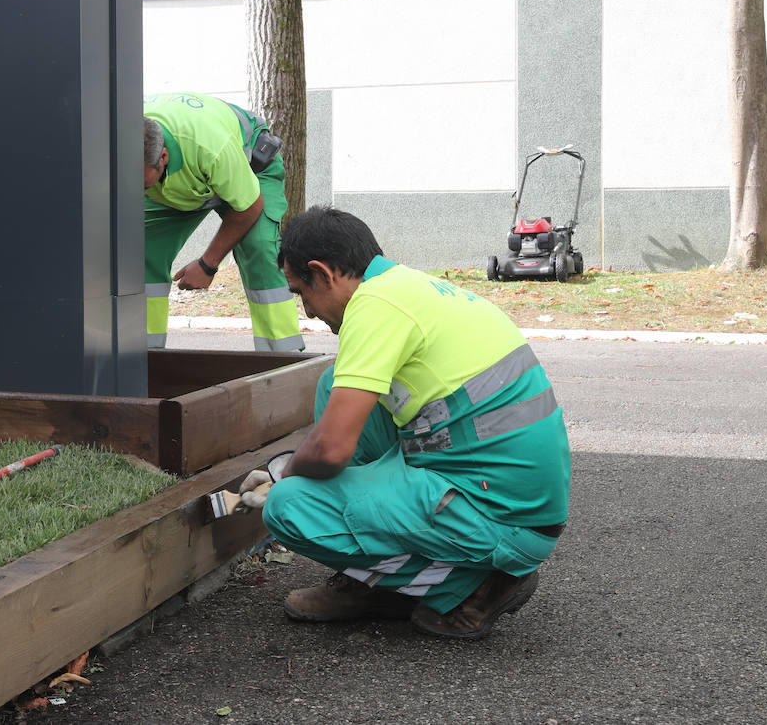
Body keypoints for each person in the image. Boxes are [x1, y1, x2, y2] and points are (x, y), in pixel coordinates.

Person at [241, 206, 570, 639]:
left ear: (323, 273)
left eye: (302, 291)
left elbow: (331, 451)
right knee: (332, 383)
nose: (307, 311)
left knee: (291, 507)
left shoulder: (373, 308)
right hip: (506, 494)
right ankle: (374, 572)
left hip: (504, 522)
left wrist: (281, 475)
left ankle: (471, 587)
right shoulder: (407, 287)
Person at [142, 91, 303, 352]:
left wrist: (208, 264)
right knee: (140, 252)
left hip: (248, 165)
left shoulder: (210, 146)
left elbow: (249, 206)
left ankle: (282, 358)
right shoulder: (116, 131)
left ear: (162, 157)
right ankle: (143, 360)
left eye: (142, 183)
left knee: (260, 248)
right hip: (180, 184)